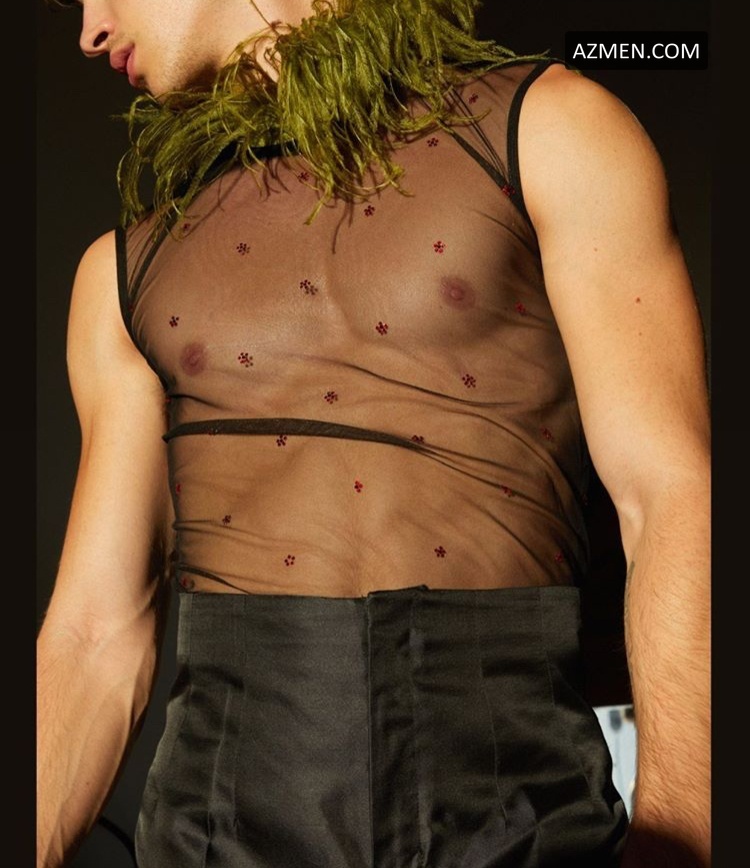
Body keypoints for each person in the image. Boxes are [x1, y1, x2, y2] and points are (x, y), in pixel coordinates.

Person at [37, 1, 711, 866]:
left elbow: (672, 497)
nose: (90, 28)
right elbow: (94, 633)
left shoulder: (555, 131)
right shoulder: (121, 273)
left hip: (525, 821)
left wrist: (681, 842)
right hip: (219, 833)